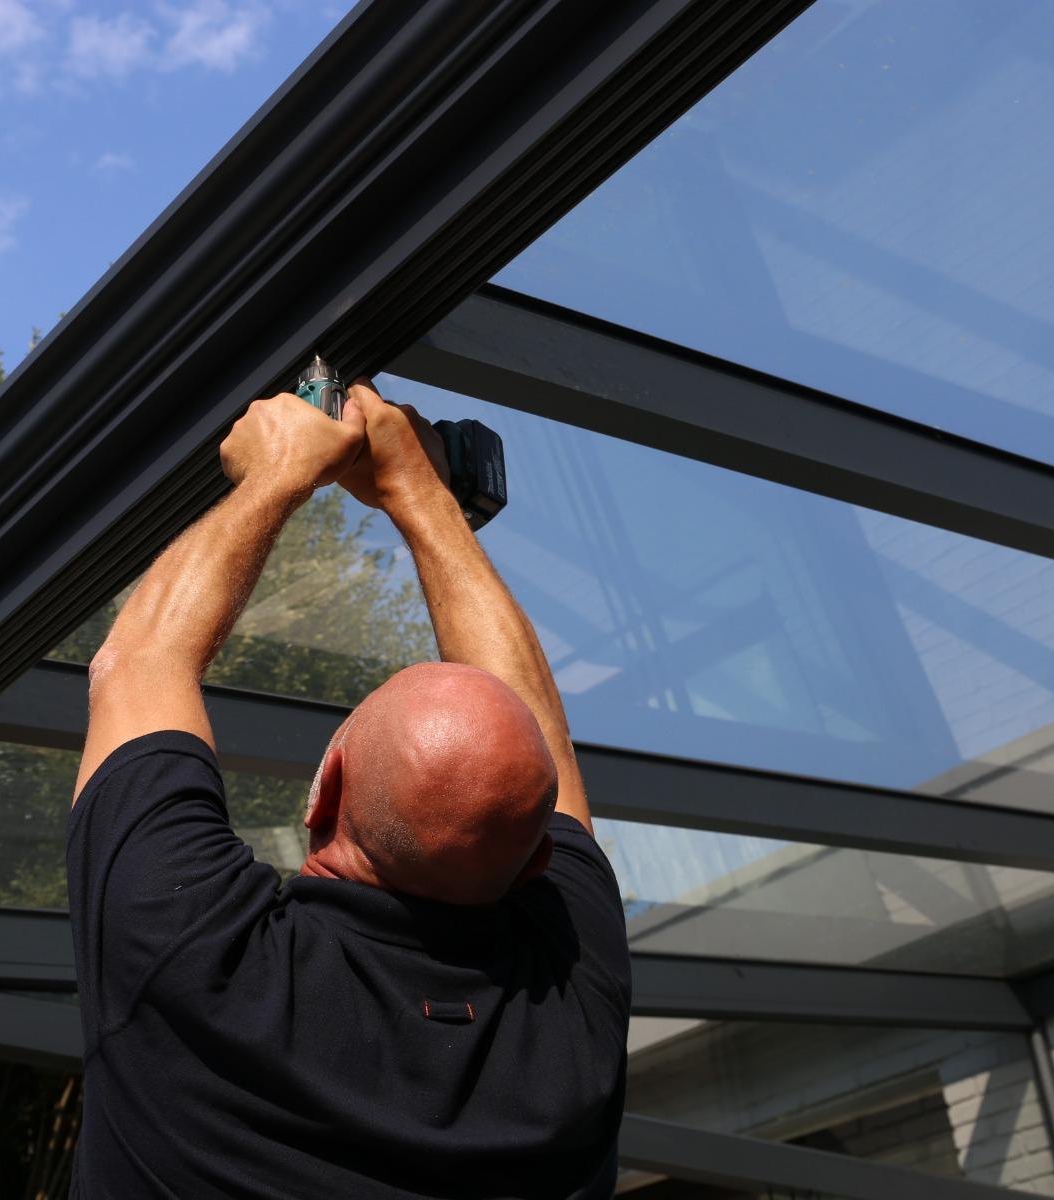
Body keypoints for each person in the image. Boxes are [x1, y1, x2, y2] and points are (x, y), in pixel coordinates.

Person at [68, 376, 631, 1197]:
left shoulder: (203, 952)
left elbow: (139, 663)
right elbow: (538, 739)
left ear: (325, 791)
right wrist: (417, 492)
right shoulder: (573, 1007)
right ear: (539, 857)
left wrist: (278, 474)